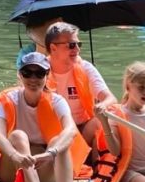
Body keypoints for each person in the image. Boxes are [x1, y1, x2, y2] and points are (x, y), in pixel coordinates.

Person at [0, 52, 82, 182]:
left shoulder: (57, 101)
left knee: (59, 140)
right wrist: (17, 157)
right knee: (17, 136)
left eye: (39, 73)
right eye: (27, 73)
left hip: (43, 168)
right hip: (12, 171)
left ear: (47, 76)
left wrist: (50, 153)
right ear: (20, 75)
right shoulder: (7, 100)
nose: (33, 79)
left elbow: (71, 130)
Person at [44, 22, 117, 150]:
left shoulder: (85, 67)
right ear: (53, 48)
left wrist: (103, 105)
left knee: (102, 121)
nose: (77, 49)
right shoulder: (39, 71)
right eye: (72, 45)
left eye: (79, 44)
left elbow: (110, 98)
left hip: (83, 129)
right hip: (53, 131)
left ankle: (99, 166)